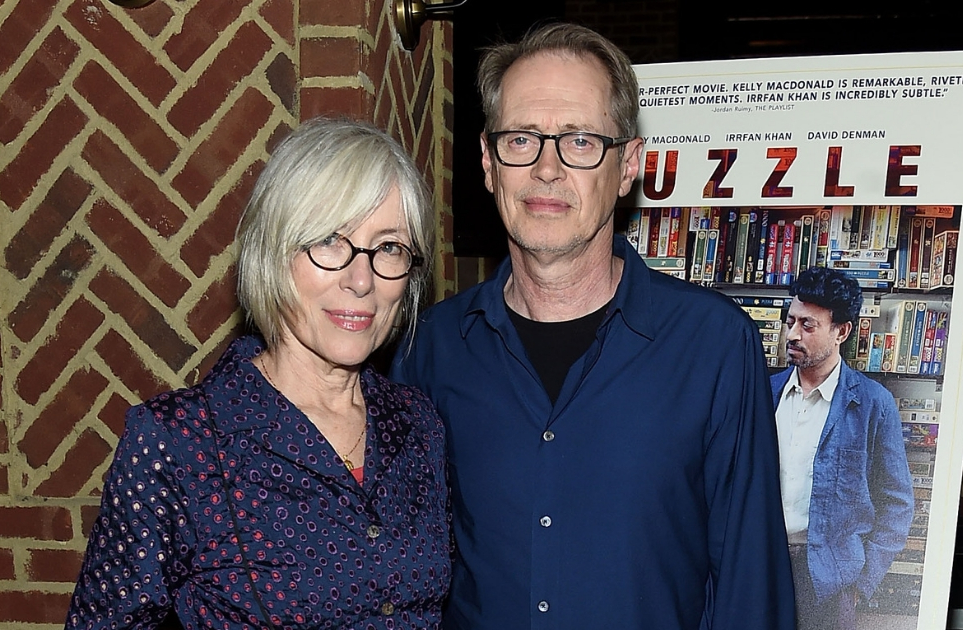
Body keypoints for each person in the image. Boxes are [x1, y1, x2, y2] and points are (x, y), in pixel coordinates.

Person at [390, 23, 796, 630]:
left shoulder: (713, 345)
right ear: (487, 162)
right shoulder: (430, 349)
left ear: (628, 164)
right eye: (522, 138)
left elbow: (750, 588)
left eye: (580, 141)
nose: (547, 168)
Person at [66, 118, 449, 629]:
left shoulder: (418, 425)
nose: (362, 279)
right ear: (273, 251)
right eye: (331, 241)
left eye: (389, 248)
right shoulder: (176, 443)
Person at [771, 267, 914, 630]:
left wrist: (860, 584)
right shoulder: (762, 393)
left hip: (831, 580)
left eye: (808, 325)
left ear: (842, 332)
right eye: (791, 321)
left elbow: (897, 503)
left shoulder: (872, 404)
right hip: (761, 566)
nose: (793, 334)